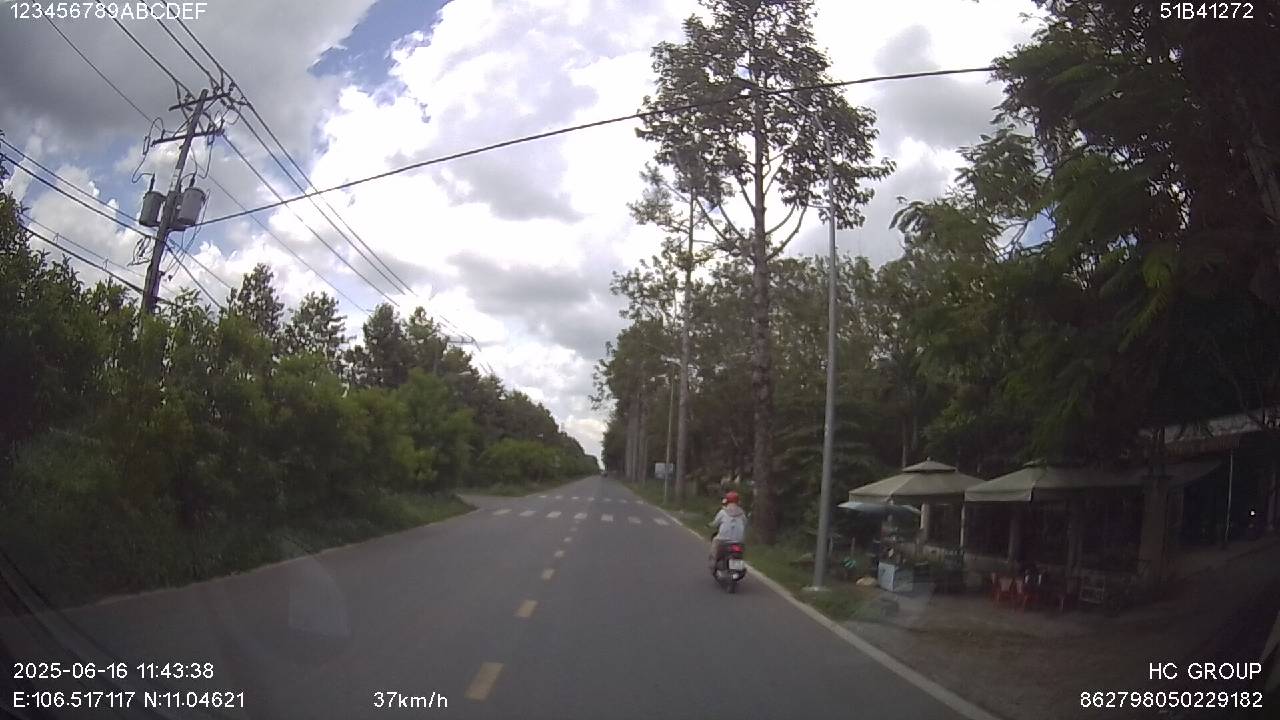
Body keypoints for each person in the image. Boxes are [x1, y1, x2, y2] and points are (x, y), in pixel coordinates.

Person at [708, 491, 747, 566]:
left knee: (715, 542)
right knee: (742, 550)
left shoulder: (723, 512)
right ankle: (738, 565)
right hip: (739, 541)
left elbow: (715, 523)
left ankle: (713, 562)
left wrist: (709, 525)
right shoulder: (742, 514)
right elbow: (745, 524)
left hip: (723, 540)